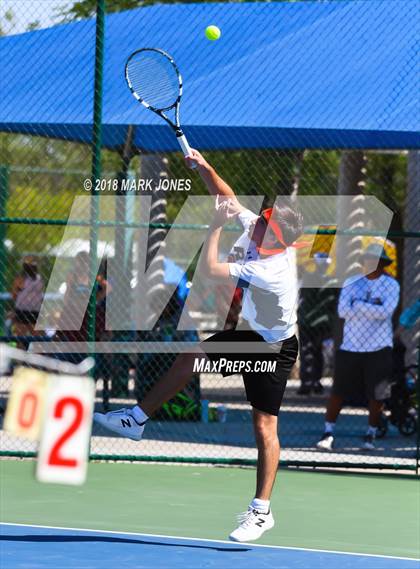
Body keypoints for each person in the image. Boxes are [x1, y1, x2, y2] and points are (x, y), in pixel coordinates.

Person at [94, 149, 302, 543]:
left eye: (265, 224)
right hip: (254, 336)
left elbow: (208, 269)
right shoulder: (262, 229)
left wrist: (213, 228)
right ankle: (136, 419)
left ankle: (261, 512)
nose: (258, 222)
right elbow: (228, 197)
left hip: (273, 349)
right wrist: (205, 166)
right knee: (193, 356)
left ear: (275, 240)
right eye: (263, 218)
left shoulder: (271, 269)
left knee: (264, 426)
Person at [316, 243, 400, 452]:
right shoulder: (351, 282)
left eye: (374, 260)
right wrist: (371, 308)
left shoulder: (391, 285)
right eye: (366, 260)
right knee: (338, 392)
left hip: (379, 348)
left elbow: (386, 312)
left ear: (382, 264)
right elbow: (344, 311)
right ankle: (328, 433)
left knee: (376, 395)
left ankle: (370, 435)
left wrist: (359, 306)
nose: (368, 264)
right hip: (350, 347)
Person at [297, 253, 338, 395]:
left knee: (307, 351)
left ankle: (307, 383)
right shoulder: (332, 281)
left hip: (309, 322)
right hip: (320, 322)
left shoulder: (309, 277)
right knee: (317, 352)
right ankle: (314, 382)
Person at [11, 255, 44, 347]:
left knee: (20, 338)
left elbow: (14, 295)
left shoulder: (20, 278)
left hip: (22, 309)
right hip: (35, 310)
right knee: (37, 338)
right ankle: (35, 359)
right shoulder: (40, 279)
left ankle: (19, 359)